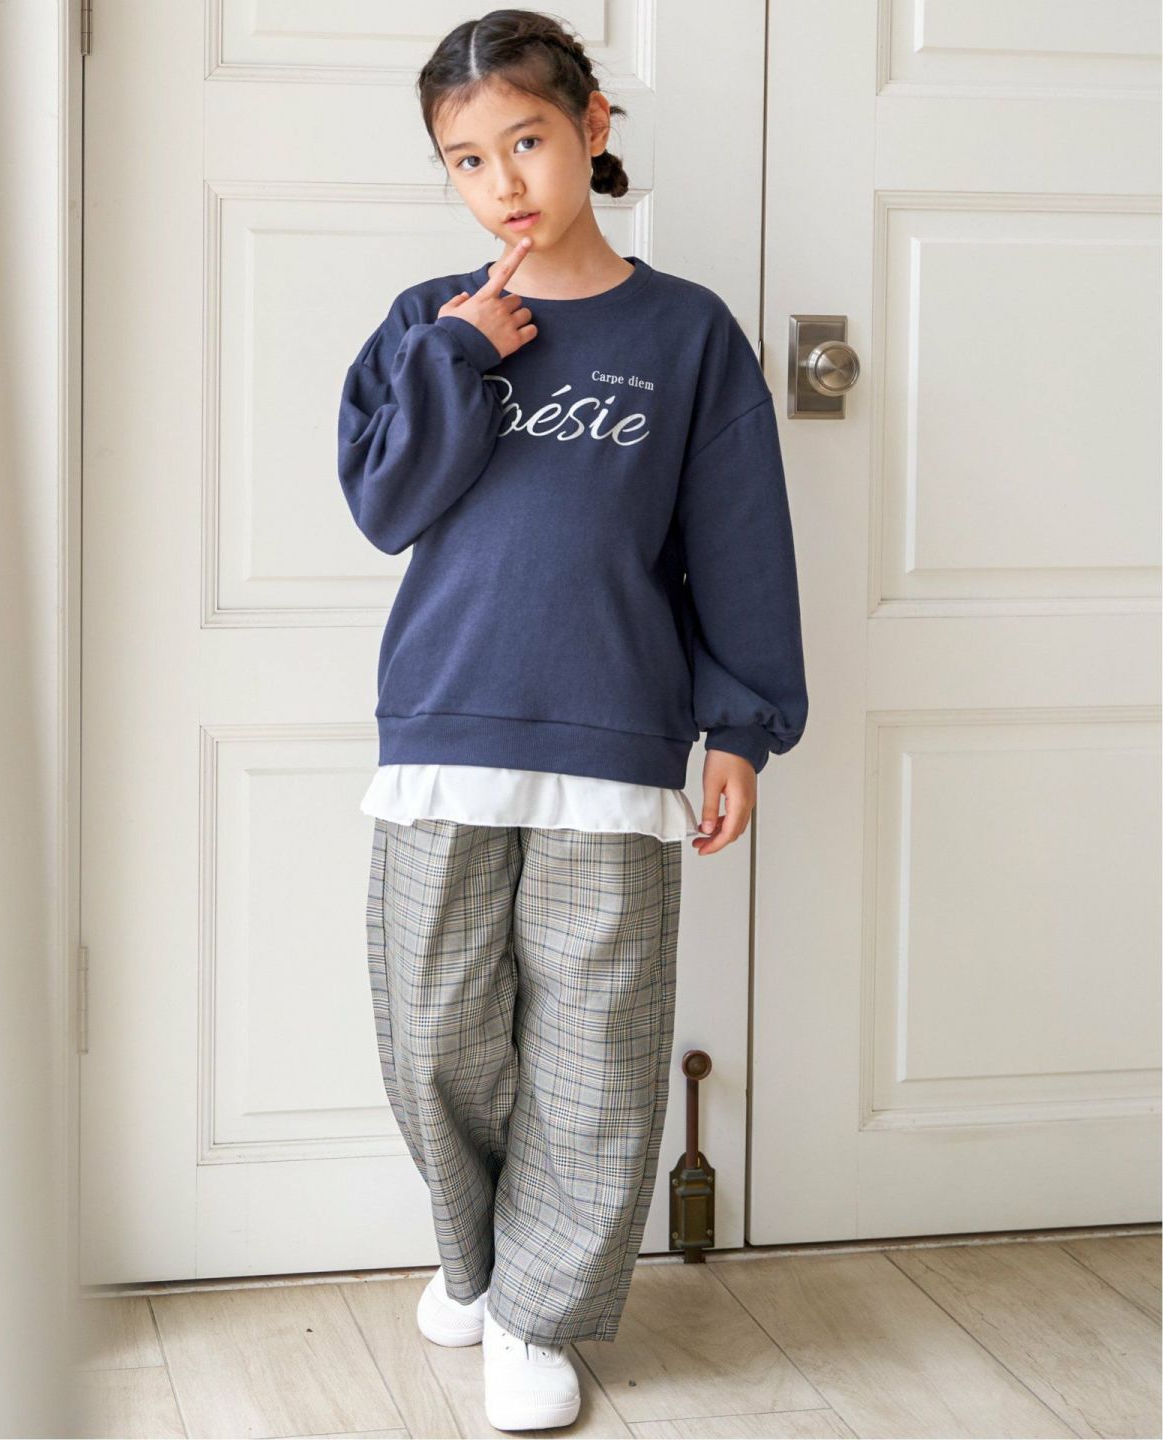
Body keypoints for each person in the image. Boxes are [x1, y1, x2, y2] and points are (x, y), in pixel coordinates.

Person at [336, 9, 808, 1431]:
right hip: (443, 730)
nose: (504, 183)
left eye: (527, 141)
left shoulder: (687, 333)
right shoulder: (428, 321)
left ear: (592, 127)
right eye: (467, 160)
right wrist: (458, 355)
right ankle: (477, 1261)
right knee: (435, 1030)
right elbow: (385, 504)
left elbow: (737, 545)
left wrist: (740, 728)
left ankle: (537, 1315)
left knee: (598, 1044)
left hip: (613, 742)